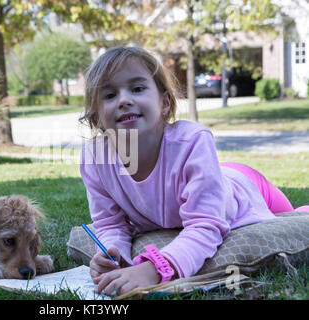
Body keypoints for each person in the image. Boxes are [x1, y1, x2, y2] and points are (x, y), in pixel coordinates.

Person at [79, 46, 309, 296]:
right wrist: (113, 254)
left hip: (245, 188)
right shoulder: (95, 159)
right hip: (212, 178)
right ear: (97, 117)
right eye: (110, 95)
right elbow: (110, 223)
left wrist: (154, 269)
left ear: (165, 103)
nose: (124, 100)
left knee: (292, 215)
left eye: (137, 88)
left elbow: (205, 224)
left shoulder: (193, 141)